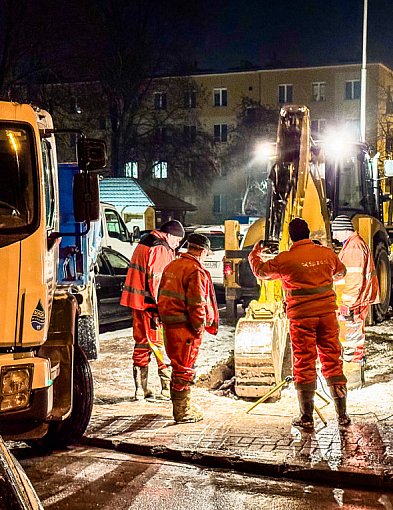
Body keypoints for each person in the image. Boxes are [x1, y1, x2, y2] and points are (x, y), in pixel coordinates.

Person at [248, 218, 350, 428]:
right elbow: (341, 272)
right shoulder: (326, 254)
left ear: (291, 236)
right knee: (332, 359)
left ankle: (306, 417)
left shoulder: (286, 259)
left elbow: (261, 272)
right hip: (327, 316)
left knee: (304, 362)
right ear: (308, 232)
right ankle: (342, 415)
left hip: (302, 318)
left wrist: (254, 254)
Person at [121, 219, 185, 401]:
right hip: (151, 307)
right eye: (177, 241)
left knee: (141, 343)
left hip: (138, 303)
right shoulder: (161, 248)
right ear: (170, 235)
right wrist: (164, 306)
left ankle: (140, 389)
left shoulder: (145, 242)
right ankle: (166, 389)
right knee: (161, 345)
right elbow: (158, 280)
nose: (177, 245)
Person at [157, 233, 219, 424]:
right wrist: (199, 326)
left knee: (177, 366)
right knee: (184, 368)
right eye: (207, 253)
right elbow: (197, 303)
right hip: (186, 328)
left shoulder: (172, 265)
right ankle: (183, 412)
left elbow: (161, 293)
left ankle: (182, 407)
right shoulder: (195, 270)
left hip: (170, 325)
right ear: (202, 251)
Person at [331, 215, 380, 365]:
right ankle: (354, 363)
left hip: (353, 301)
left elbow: (353, 277)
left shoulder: (354, 247)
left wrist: (347, 302)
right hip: (356, 299)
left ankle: (353, 367)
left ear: (343, 230)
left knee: (351, 334)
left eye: (335, 231)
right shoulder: (353, 244)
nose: (333, 236)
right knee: (354, 333)